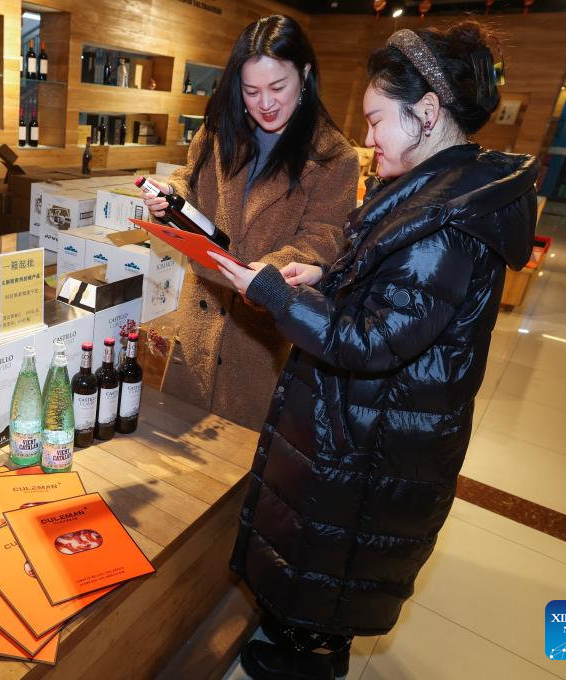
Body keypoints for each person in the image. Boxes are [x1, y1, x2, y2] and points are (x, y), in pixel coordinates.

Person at [210, 21, 537, 680]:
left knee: (338, 559)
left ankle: (309, 663)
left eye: (377, 120)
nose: (368, 137)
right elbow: (389, 291)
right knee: (329, 560)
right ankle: (310, 644)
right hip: (372, 419)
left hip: (380, 430)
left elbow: (372, 339)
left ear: (427, 113)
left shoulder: (447, 223)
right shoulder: (438, 187)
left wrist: (273, 293)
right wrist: (324, 276)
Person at [142, 14, 359, 430]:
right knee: (180, 439)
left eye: (278, 87)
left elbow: (326, 235)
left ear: (305, 75)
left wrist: (268, 273)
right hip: (200, 314)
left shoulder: (333, 157)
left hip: (264, 333)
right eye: (252, 90)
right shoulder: (219, 131)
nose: (265, 103)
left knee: (241, 451)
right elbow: (190, 181)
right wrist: (171, 196)